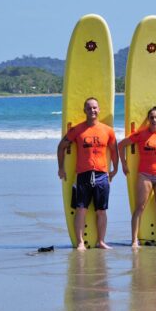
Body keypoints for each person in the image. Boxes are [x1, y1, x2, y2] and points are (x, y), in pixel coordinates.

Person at [57, 97, 118, 251]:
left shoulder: (108, 130)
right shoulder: (77, 130)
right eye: (89, 108)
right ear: (84, 110)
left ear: (99, 110)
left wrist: (115, 168)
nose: (92, 110)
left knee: (101, 211)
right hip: (83, 175)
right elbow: (61, 146)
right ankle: (80, 243)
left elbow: (114, 150)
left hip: (101, 175)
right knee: (81, 209)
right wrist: (61, 168)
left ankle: (101, 241)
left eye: (95, 108)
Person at [118, 106, 156, 247]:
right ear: (148, 120)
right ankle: (134, 240)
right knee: (139, 207)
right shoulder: (141, 135)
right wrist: (124, 163)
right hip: (144, 175)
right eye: (151, 117)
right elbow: (120, 145)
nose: (154, 120)